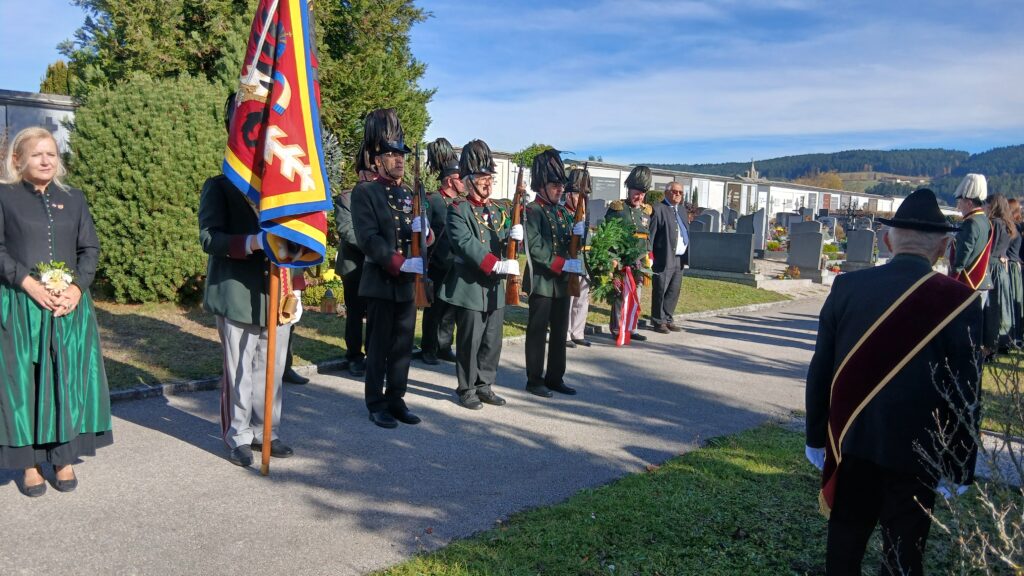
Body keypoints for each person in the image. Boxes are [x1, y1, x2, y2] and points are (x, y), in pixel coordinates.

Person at [805, 188, 982, 576]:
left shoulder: (847, 287)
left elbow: (821, 370)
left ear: (887, 240)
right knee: (904, 557)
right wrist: (959, 463)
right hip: (919, 454)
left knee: (844, 549)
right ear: (944, 247)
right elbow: (965, 392)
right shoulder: (962, 301)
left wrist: (816, 436)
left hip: (852, 443)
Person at [0, 126, 112, 496]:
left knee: (66, 380)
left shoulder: (74, 198)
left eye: (51, 153)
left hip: (68, 308)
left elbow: (89, 249)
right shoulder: (4, 196)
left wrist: (77, 289)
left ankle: (63, 457)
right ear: (18, 160)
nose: (46, 160)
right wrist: (29, 284)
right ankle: (29, 463)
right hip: (21, 306)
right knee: (24, 384)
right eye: (37, 154)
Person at [200, 94, 298, 467]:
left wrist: (297, 279)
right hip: (237, 292)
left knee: (271, 369)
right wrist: (253, 242)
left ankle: (265, 430)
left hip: (277, 290)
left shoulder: (283, 188)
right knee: (239, 369)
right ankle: (238, 434)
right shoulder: (221, 185)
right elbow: (209, 238)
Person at [351, 108, 433, 428]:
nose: (399, 159)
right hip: (382, 280)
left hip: (408, 284)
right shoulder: (365, 192)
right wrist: (399, 262)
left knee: (402, 346)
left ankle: (396, 398)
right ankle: (376, 402)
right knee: (379, 346)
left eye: (401, 154)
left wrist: (425, 231)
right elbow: (368, 238)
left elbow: (428, 237)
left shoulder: (411, 193)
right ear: (377, 160)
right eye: (391, 154)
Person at [441, 140, 521, 409]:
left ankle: (484, 385)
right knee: (470, 340)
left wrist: (516, 237)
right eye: (482, 177)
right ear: (468, 180)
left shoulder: (499, 209)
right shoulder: (458, 209)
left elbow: (506, 242)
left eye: (490, 177)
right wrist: (495, 265)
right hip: (470, 286)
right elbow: (465, 243)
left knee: (492, 340)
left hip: (494, 287)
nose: (488, 183)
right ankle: (466, 388)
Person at [524, 149, 585, 397]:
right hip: (541, 281)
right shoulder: (532, 210)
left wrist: (580, 234)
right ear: (541, 185)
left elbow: (570, 244)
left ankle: (555, 377)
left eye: (561, 185)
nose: (560, 190)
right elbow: (536, 248)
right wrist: (562, 264)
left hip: (561, 283)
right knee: (538, 333)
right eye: (554, 185)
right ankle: (534, 379)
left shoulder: (561, 213)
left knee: (560, 333)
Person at [332, 145, 374, 378]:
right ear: (361, 173)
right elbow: (347, 230)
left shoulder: (381, 196)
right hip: (355, 266)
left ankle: (373, 353)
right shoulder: (347, 198)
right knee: (356, 314)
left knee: (376, 313)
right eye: (371, 173)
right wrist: (375, 247)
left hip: (376, 265)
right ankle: (354, 356)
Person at [419, 137, 461, 365]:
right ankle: (428, 348)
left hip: (456, 263)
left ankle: (444, 346)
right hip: (437, 263)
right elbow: (424, 231)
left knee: (450, 307)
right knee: (434, 309)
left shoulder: (460, 203)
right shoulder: (433, 200)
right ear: (449, 180)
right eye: (459, 178)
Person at [604, 166, 653, 342]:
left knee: (636, 296)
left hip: (639, 261)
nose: (639, 197)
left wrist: (648, 257)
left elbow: (647, 236)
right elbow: (608, 234)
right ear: (629, 190)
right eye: (636, 193)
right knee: (620, 296)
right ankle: (618, 329)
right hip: (621, 260)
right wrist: (612, 259)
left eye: (642, 194)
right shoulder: (617, 208)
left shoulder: (646, 212)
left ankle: (632, 328)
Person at [648, 181, 690, 334]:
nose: (678, 194)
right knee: (661, 289)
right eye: (674, 191)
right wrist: (649, 255)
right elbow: (651, 234)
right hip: (664, 257)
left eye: (680, 192)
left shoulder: (682, 210)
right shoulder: (658, 209)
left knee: (674, 290)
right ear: (666, 193)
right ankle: (658, 321)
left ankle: (668, 318)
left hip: (679, 258)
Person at [983, 194, 1016, 354]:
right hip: (1000, 269)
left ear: (993, 205)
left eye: (987, 204)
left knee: (991, 309)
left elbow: (989, 248)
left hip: (992, 267)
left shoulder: (994, 223)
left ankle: (990, 345)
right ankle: (1002, 342)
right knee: (1001, 307)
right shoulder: (1007, 224)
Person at [565, 167, 593, 348]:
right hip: (569, 261)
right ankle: (565, 332)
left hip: (584, 263)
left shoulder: (585, 215)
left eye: (585, 195)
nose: (582, 199)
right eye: (578, 195)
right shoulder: (562, 213)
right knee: (568, 300)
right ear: (568, 195)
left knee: (582, 299)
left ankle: (577, 332)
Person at [1008, 198, 1024, 344]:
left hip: (1013, 267)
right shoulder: (1018, 227)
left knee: (1013, 302)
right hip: (1017, 266)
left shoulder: (1013, 228)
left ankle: (1015, 336)